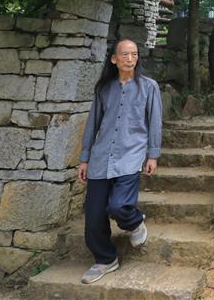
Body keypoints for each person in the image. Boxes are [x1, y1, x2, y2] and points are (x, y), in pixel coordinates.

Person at [76, 38, 162, 284]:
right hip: (102, 157)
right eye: (124, 54)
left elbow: (154, 122)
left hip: (131, 154)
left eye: (134, 54)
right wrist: (85, 158)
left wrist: (152, 155)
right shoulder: (103, 89)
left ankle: (135, 223)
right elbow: (93, 124)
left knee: (118, 206)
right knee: (93, 215)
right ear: (114, 59)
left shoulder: (149, 87)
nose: (130, 58)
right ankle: (105, 259)